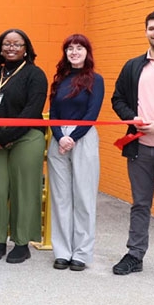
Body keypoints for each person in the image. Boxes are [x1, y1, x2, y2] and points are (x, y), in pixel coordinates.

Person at [111, 9, 154, 285]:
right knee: (139, 205)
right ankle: (135, 256)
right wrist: (132, 118)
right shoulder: (133, 66)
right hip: (138, 148)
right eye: (151, 28)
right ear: (146, 31)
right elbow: (118, 99)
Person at [0, 29, 48, 263]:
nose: (11, 48)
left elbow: (33, 108)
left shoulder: (35, 75)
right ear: (0, 48)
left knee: (24, 190)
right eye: (7, 44)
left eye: (17, 44)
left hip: (27, 137)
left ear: (26, 48)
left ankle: (21, 242)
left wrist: (9, 135)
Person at [47, 34, 104, 271]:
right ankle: (62, 251)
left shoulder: (95, 80)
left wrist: (73, 137)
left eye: (79, 48)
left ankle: (81, 253)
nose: (74, 52)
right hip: (59, 138)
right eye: (70, 48)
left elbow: (92, 113)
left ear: (86, 52)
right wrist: (61, 137)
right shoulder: (60, 80)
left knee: (83, 196)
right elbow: (53, 113)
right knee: (60, 197)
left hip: (83, 137)